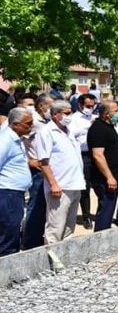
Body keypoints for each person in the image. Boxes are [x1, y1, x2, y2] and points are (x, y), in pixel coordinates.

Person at [34, 100, 85, 248]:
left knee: (69, 226)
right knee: (55, 226)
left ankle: (65, 257)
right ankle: (52, 260)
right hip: (60, 186)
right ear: (55, 115)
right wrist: (53, 184)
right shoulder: (46, 132)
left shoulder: (68, 131)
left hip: (75, 184)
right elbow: (43, 162)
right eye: (67, 113)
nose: (70, 116)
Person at [87, 100, 118, 231]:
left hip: (116, 174)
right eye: (115, 111)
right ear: (105, 114)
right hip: (105, 178)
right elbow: (98, 155)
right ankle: (101, 236)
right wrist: (109, 177)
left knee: (109, 207)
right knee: (106, 208)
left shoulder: (109, 126)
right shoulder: (98, 128)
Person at [0, 108, 34, 257]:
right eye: (28, 124)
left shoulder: (16, 139)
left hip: (15, 193)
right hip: (7, 193)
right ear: (15, 124)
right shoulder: (6, 140)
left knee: (13, 230)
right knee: (9, 231)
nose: (31, 126)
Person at [21, 93, 53, 250]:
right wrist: (27, 160)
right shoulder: (31, 121)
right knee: (35, 207)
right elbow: (17, 141)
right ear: (42, 106)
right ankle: (29, 244)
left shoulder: (47, 121)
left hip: (47, 169)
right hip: (36, 170)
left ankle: (38, 240)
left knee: (44, 208)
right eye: (51, 105)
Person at [69, 93, 97, 229]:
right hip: (82, 154)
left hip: (96, 154)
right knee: (85, 187)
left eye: (93, 106)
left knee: (99, 184)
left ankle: (99, 213)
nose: (90, 108)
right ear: (80, 105)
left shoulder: (96, 117)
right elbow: (71, 135)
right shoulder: (73, 119)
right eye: (88, 106)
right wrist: (88, 127)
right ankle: (86, 216)